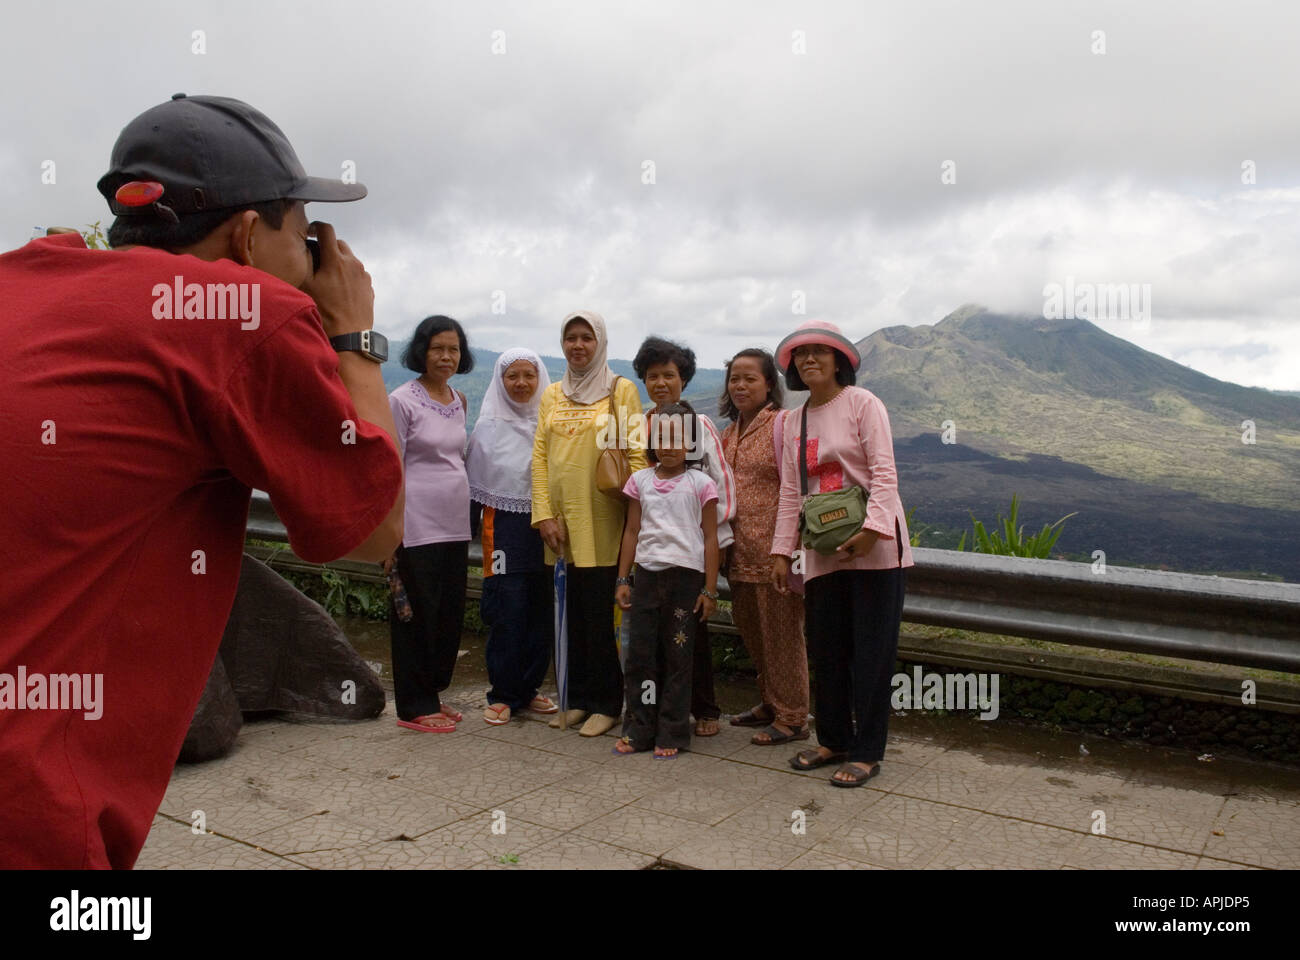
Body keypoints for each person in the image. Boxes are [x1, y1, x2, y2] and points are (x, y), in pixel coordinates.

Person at [0, 94, 404, 868]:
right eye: (306, 231)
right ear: (250, 235)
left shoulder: (20, 280)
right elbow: (372, 528)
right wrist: (354, 335)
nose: (319, 255)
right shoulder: (242, 313)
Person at [770, 319, 914, 787]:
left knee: (872, 652)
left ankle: (868, 751)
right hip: (823, 550)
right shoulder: (793, 420)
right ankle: (833, 739)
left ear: (839, 361)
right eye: (802, 353)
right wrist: (781, 550)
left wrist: (874, 530)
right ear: (793, 367)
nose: (810, 359)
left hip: (875, 551)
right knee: (828, 649)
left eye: (820, 351)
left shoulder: (862, 403)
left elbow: (884, 472)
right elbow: (792, 491)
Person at [532, 310, 647, 737]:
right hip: (558, 525)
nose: (578, 346)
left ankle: (606, 702)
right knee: (569, 616)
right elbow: (540, 459)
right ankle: (574, 699)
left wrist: (635, 514)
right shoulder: (552, 395)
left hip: (603, 522)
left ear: (600, 343)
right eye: (570, 338)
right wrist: (542, 514)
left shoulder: (622, 391)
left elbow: (636, 458)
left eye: (586, 338)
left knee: (600, 616)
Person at [631, 336, 736, 738]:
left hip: (693, 549)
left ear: (683, 379)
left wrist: (715, 539)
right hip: (653, 550)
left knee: (694, 631)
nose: (660, 383)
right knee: (652, 638)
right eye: (653, 376)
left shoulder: (700, 424)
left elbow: (722, 484)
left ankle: (705, 707)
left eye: (669, 375)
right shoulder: (639, 423)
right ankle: (656, 713)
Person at [614, 403, 720, 759]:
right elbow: (631, 531)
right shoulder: (639, 481)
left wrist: (709, 588)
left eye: (678, 437)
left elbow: (710, 538)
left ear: (691, 441)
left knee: (678, 657)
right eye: (662, 436)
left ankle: (672, 731)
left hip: (686, 581)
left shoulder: (701, 484)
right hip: (646, 577)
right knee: (641, 657)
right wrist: (622, 578)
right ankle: (639, 728)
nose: (669, 445)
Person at [387, 316, 475, 733]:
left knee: (447, 613)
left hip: (455, 524)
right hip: (415, 525)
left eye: (453, 349)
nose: (446, 356)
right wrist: (389, 532)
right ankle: (412, 706)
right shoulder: (402, 400)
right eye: (438, 348)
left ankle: (434, 692)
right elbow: (391, 467)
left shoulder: (459, 399)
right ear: (422, 350)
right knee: (415, 615)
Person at [719, 348, 811, 745]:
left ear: (769, 384)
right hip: (737, 554)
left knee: (783, 636)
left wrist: (787, 551)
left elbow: (797, 488)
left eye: (749, 379)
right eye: (734, 379)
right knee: (754, 633)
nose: (740, 385)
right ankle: (771, 702)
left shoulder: (783, 425)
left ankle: (793, 717)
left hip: (775, 555)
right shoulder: (728, 432)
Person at [466, 348, 558, 724]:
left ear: (540, 381)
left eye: (529, 376)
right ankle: (502, 693)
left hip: (545, 529)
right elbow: (473, 487)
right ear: (500, 382)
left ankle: (529, 688)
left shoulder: (550, 425)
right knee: (507, 610)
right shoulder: (487, 427)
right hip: (502, 531)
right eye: (512, 376)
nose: (521, 384)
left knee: (541, 612)